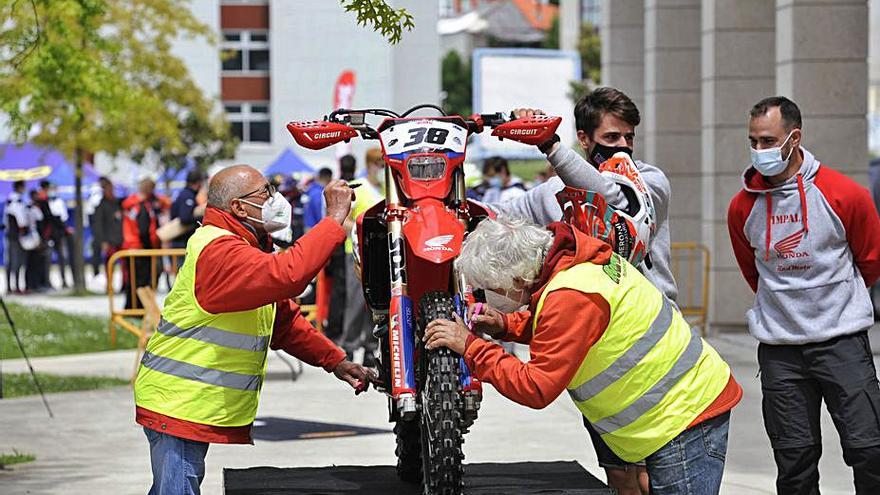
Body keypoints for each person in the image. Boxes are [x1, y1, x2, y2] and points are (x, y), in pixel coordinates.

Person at [424, 217, 742, 495]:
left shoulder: (569, 296)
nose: (485, 296)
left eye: (489, 288)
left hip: (683, 417)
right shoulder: (574, 264)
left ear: (517, 280)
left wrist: (472, 347)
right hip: (680, 412)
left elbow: (535, 386)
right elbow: (566, 327)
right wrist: (506, 324)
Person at [133, 164, 373, 494]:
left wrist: (335, 361)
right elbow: (290, 274)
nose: (275, 199)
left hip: (186, 401)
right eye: (265, 192)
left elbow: (284, 322)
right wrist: (332, 220)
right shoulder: (219, 250)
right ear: (239, 207)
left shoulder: (243, 246)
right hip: (176, 401)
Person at [492, 87, 675, 493]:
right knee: (619, 473)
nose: (622, 148)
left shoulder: (647, 182)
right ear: (585, 139)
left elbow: (605, 195)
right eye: (611, 139)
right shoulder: (550, 195)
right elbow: (500, 221)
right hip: (593, 348)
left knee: (652, 472)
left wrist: (547, 143)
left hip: (646, 342)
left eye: (629, 137)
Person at [727, 96, 880, 494]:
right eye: (753, 141)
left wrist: (835, 303)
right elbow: (753, 271)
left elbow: (870, 260)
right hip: (781, 352)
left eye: (767, 141)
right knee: (794, 463)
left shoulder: (844, 194)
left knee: (871, 450)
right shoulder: (742, 208)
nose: (759, 150)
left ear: (794, 138)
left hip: (842, 342)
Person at [340, 148, 384, 365]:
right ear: (370, 163)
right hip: (357, 252)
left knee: (376, 304)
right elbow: (345, 219)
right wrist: (361, 230)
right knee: (356, 303)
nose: (382, 168)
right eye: (379, 163)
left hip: (382, 252)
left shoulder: (388, 188)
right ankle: (348, 345)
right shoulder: (358, 186)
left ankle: (370, 346)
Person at [122, 176, 170, 309]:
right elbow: (143, 230)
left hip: (130, 246)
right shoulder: (142, 207)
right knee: (142, 283)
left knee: (132, 282)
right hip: (141, 248)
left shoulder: (131, 204)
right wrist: (152, 244)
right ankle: (139, 310)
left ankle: (131, 309)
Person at [92, 177, 123, 285]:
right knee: (109, 264)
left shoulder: (118, 204)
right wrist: (103, 241)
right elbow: (98, 225)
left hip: (120, 239)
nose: (111, 192)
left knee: (124, 265)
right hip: (109, 240)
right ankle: (109, 285)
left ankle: (124, 285)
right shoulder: (101, 205)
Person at [169, 169, 205, 250]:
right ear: (198, 183)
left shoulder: (185, 194)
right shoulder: (187, 196)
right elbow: (184, 218)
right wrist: (202, 218)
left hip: (181, 241)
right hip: (181, 242)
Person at [4, 180, 28, 294]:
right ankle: (14, 287)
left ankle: (11, 287)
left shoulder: (11, 201)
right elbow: (21, 221)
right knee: (16, 261)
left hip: (11, 234)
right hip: (15, 235)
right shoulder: (15, 201)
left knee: (12, 261)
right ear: (19, 187)